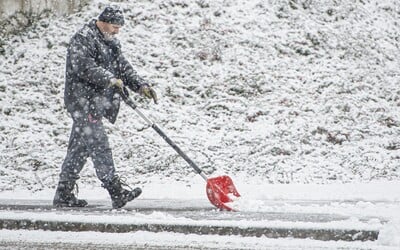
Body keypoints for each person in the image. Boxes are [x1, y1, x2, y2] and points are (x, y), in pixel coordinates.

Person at [53, 6, 157, 209]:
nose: (117, 31)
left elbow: (123, 68)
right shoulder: (83, 38)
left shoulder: (110, 42)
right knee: (99, 145)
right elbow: (83, 66)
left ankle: (63, 193)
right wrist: (109, 78)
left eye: (119, 27)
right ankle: (116, 192)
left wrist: (140, 85)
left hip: (96, 103)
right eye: (114, 26)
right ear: (102, 22)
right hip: (82, 101)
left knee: (79, 149)